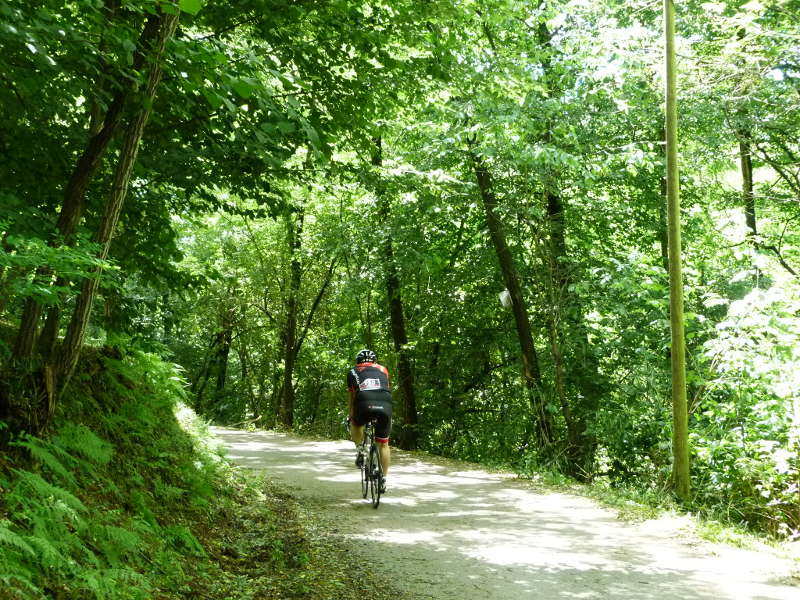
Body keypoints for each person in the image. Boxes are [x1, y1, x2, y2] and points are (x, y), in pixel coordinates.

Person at [347, 349, 392, 493]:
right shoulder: (383, 369)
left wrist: (351, 416)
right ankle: (383, 479)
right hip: (385, 403)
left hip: (364, 402)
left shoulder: (353, 371)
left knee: (355, 423)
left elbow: (353, 397)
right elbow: (385, 387)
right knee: (383, 444)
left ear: (358, 361)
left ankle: (360, 450)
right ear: (374, 361)